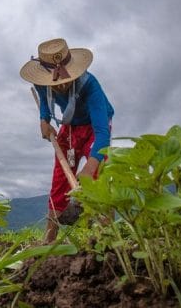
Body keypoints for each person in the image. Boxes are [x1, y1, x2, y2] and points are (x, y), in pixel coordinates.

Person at [20, 38, 113, 243]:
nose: (60, 88)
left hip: (95, 128)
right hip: (70, 127)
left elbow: (103, 134)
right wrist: (44, 119)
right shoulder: (42, 82)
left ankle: (108, 237)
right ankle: (49, 238)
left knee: (99, 175)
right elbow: (45, 100)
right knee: (60, 179)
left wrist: (90, 166)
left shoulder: (90, 86)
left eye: (65, 82)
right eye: (56, 83)